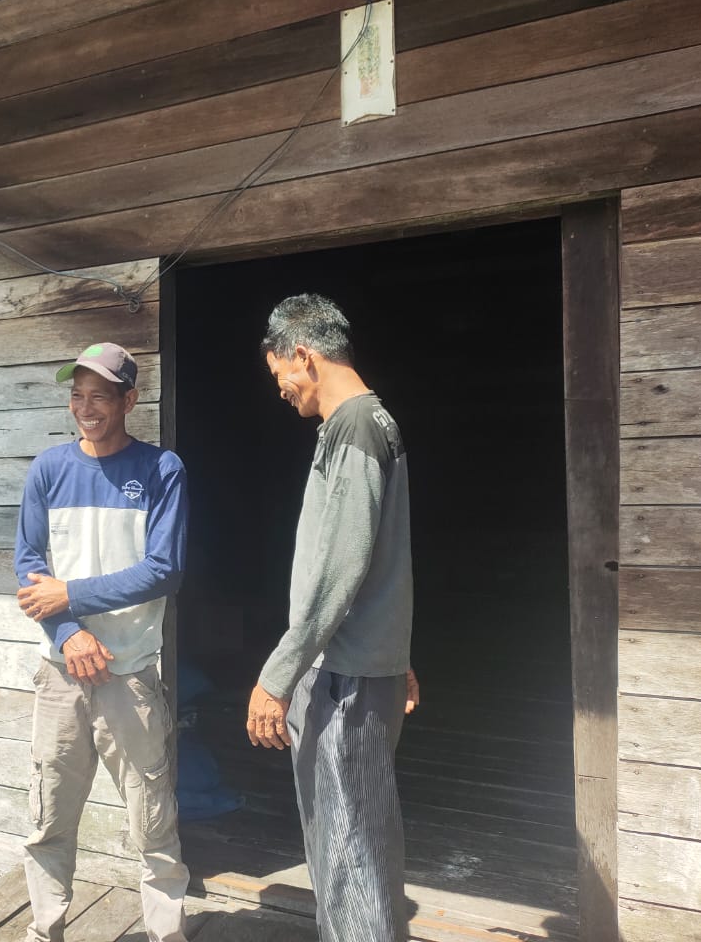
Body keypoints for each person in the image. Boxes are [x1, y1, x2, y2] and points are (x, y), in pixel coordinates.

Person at [245, 294, 419, 942]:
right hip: (361, 667)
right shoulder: (367, 426)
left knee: (351, 859)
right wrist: (397, 656)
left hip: (342, 678)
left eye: (281, 376)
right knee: (351, 848)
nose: (283, 391)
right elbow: (382, 559)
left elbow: (341, 570)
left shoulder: (355, 427)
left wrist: (277, 675)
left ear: (304, 355)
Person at [14, 343, 189, 942]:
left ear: (128, 401)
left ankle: (166, 934)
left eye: (100, 396)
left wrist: (72, 598)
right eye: (78, 395)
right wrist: (68, 634)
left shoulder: (162, 470)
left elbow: (164, 569)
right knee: (48, 821)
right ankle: (46, 930)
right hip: (60, 675)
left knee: (154, 823)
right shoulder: (48, 469)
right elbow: (30, 566)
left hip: (130, 673)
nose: (86, 408)